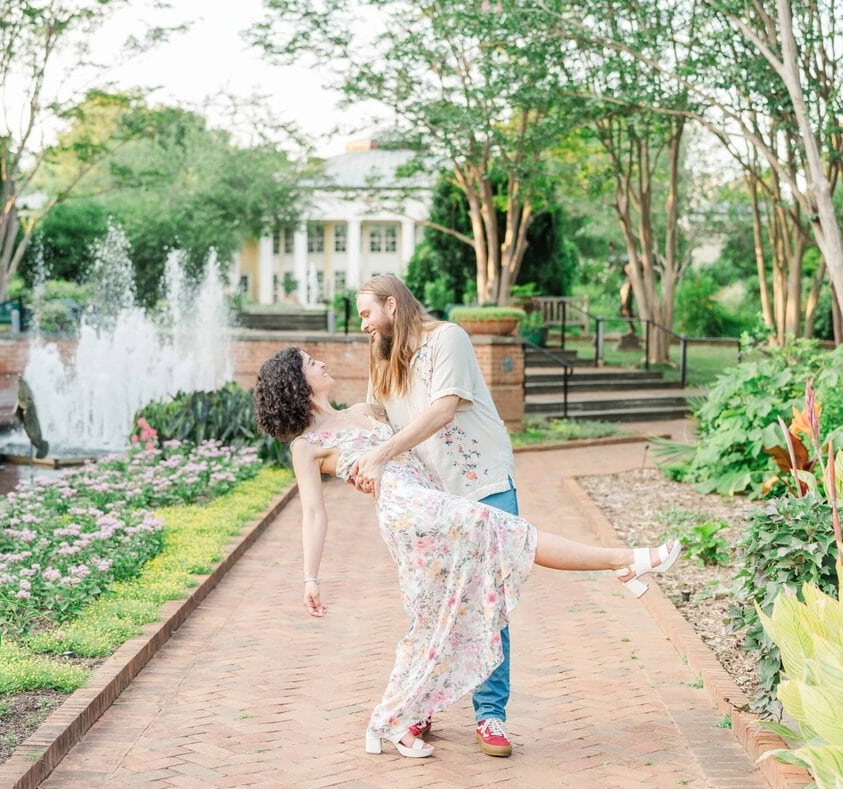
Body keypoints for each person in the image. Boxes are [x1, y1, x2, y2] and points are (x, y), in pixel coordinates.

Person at [253, 347, 681, 759]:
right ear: (295, 383)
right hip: (408, 512)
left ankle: (390, 721)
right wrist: (310, 577)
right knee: (509, 533)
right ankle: (623, 560)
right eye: (310, 362)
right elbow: (313, 513)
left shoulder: (365, 411)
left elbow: (419, 415)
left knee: (434, 618)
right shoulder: (306, 446)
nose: (321, 363)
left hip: (431, 499)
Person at [348, 274, 521, 756]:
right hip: (432, 500)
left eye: (366, 313)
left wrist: (381, 455)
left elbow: (443, 409)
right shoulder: (381, 355)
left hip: (483, 486)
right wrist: (326, 424)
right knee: (431, 607)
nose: (363, 325)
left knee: (487, 605)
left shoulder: (448, 338)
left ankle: (490, 715)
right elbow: (375, 415)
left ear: (391, 304)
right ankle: (424, 701)